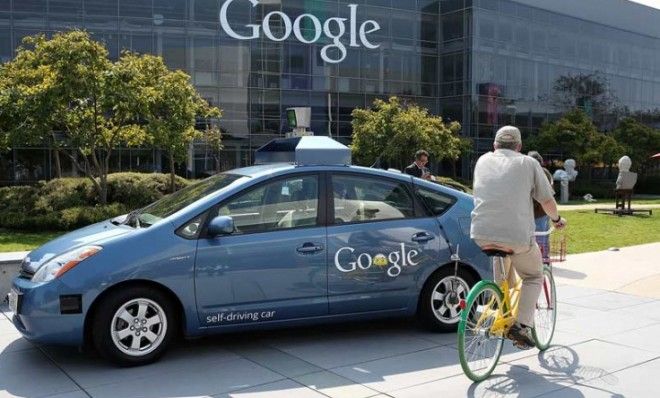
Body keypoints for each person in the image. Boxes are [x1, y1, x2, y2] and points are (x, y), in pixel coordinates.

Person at [471, 126, 566, 350]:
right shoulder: (529, 163)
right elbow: (546, 201)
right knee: (534, 275)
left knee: (503, 275)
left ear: (494, 145)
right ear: (519, 147)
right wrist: (556, 219)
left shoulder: (482, 161)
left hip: (481, 233)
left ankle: (501, 307)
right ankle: (521, 326)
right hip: (516, 237)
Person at [528, 151, 554, 259]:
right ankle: (544, 259)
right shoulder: (545, 173)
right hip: (544, 211)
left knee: (539, 238)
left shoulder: (536, 173)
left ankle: (541, 260)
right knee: (543, 236)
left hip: (538, 212)